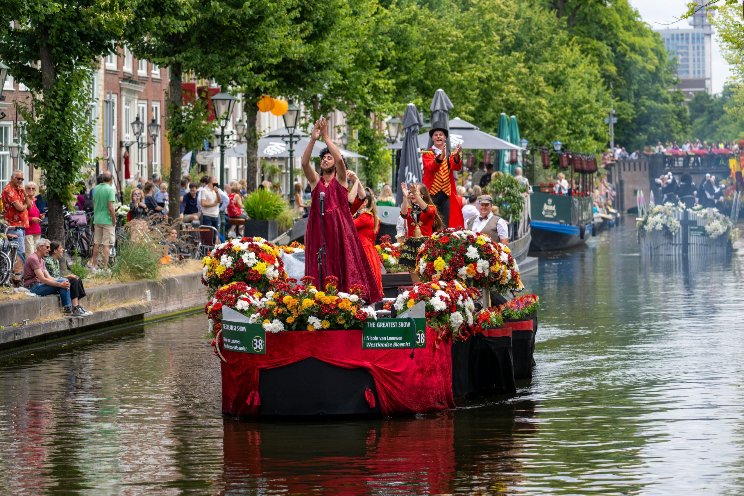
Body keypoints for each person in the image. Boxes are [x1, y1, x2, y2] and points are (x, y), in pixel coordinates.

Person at [301, 116, 382, 303]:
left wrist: (327, 138)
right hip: (318, 230)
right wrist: (313, 139)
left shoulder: (341, 180)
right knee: (319, 263)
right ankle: (318, 299)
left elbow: (339, 161)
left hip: (339, 231)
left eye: (329, 157)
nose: (326, 160)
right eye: (323, 158)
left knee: (342, 264)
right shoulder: (316, 182)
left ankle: (344, 301)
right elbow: (305, 164)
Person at [24, 238, 87, 316]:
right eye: (47, 247)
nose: (49, 249)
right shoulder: (34, 259)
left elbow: (50, 277)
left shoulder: (41, 260)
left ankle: (71, 308)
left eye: (49, 247)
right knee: (63, 282)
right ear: (40, 247)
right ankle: (68, 308)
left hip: (40, 285)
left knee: (65, 281)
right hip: (33, 287)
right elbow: (43, 279)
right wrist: (60, 284)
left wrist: (63, 280)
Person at [421, 127, 464, 228]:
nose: (438, 136)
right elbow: (432, 167)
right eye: (436, 135)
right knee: (430, 220)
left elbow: (456, 167)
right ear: (432, 138)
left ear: (445, 138)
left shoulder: (450, 155)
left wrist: (457, 156)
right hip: (431, 193)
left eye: (441, 134)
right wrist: (441, 156)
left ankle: (442, 241)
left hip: (446, 193)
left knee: (445, 222)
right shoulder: (427, 153)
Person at [398, 182, 442, 280]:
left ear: (422, 194)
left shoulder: (431, 208)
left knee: (426, 277)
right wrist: (405, 197)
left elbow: (427, 210)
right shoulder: (410, 209)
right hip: (412, 246)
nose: (412, 194)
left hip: (426, 245)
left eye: (415, 192)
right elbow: (403, 214)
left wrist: (416, 195)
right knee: (414, 277)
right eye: (411, 192)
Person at [44, 240, 92, 316]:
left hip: (57, 280)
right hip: (52, 284)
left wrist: (68, 276)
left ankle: (78, 306)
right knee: (73, 280)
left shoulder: (56, 261)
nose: (63, 250)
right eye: (61, 248)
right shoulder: (48, 261)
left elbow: (57, 276)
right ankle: (75, 307)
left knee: (77, 279)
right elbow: (53, 278)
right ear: (55, 251)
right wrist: (68, 277)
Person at [353, 186, 383, 294]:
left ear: (365, 202)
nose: (354, 202)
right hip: (370, 252)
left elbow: (347, 225)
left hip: (362, 252)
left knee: (361, 287)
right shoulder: (372, 216)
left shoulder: (365, 217)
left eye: (357, 200)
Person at [89, 171, 117, 271]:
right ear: (111, 179)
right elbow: (110, 207)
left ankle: (95, 266)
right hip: (107, 220)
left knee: (96, 243)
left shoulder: (95, 189)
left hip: (97, 219)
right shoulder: (110, 189)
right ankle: (105, 268)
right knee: (106, 244)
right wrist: (114, 220)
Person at [2, 169, 31, 261]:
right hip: (13, 226)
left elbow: (29, 206)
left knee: (19, 252)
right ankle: (18, 274)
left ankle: (16, 273)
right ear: (12, 178)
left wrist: (25, 194)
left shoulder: (20, 189)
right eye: (18, 178)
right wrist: (25, 205)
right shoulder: (8, 190)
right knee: (19, 252)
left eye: (22, 179)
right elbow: (20, 208)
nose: (20, 181)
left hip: (21, 226)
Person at [200, 176, 221, 244]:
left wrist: (217, 192)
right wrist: (212, 204)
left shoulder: (216, 190)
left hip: (215, 215)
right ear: (210, 182)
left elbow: (219, 201)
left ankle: (212, 251)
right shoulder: (204, 190)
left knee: (215, 236)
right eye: (215, 181)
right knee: (208, 235)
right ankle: (207, 251)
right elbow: (203, 203)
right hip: (207, 215)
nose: (216, 183)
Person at [24, 182, 43, 257]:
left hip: (37, 230)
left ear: (35, 191)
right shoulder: (24, 201)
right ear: (25, 190)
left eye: (33, 188)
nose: (31, 190)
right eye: (29, 188)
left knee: (37, 254)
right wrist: (32, 219)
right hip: (28, 230)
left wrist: (40, 216)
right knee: (30, 254)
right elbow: (22, 217)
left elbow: (35, 214)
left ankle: (36, 269)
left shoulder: (34, 201)